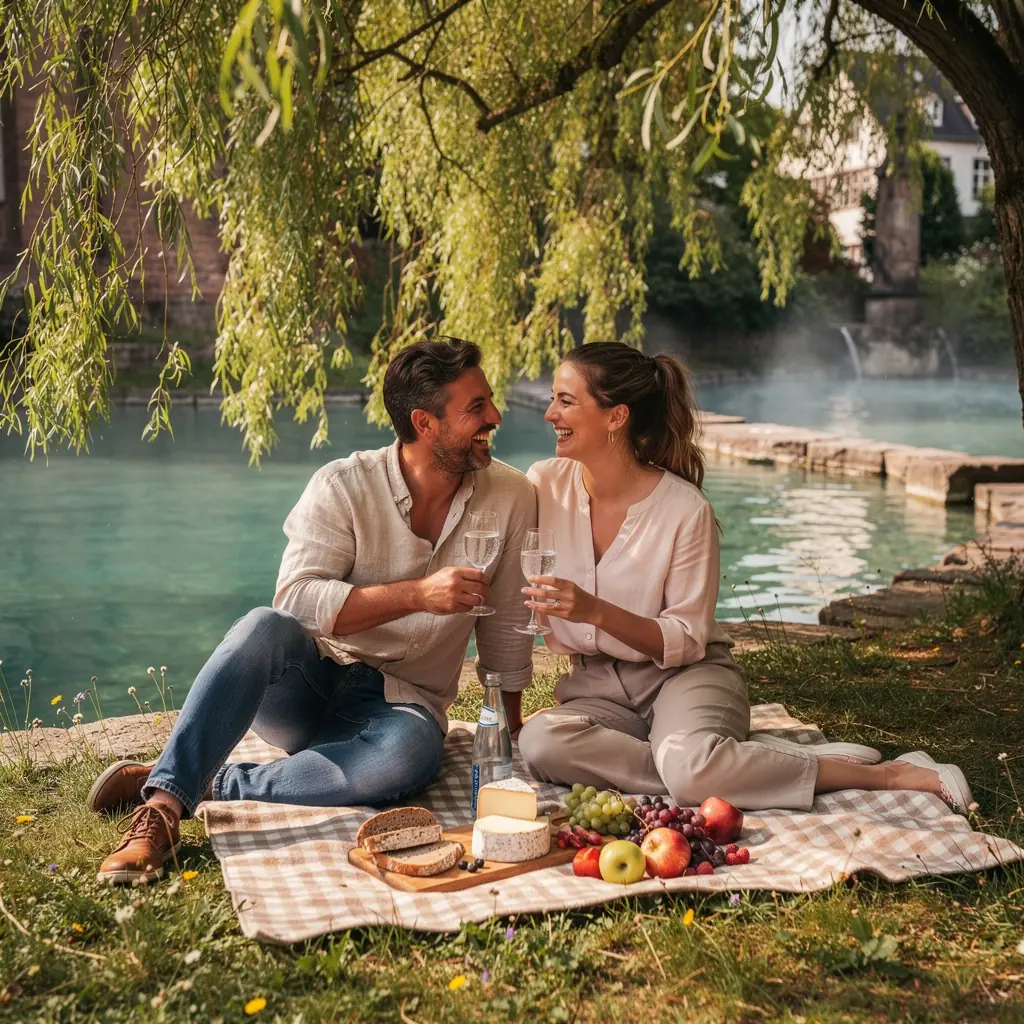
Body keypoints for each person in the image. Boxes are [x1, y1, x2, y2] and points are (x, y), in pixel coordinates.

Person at [89, 338, 537, 885]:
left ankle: (208, 781)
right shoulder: (343, 485)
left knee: (409, 758)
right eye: (476, 408)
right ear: (424, 422)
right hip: (309, 686)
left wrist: (510, 723)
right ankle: (160, 810)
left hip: (403, 709)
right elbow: (297, 602)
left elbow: (507, 620)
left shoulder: (511, 494)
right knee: (262, 626)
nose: (494, 416)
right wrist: (419, 594)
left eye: (489, 401)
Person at [517, 341, 973, 813]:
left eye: (566, 400)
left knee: (690, 769)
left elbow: (686, 640)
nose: (550, 412)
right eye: (554, 398)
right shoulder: (544, 484)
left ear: (617, 417)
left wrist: (593, 610)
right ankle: (747, 763)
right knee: (541, 743)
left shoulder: (683, 509)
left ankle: (883, 773)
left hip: (683, 677)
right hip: (596, 688)